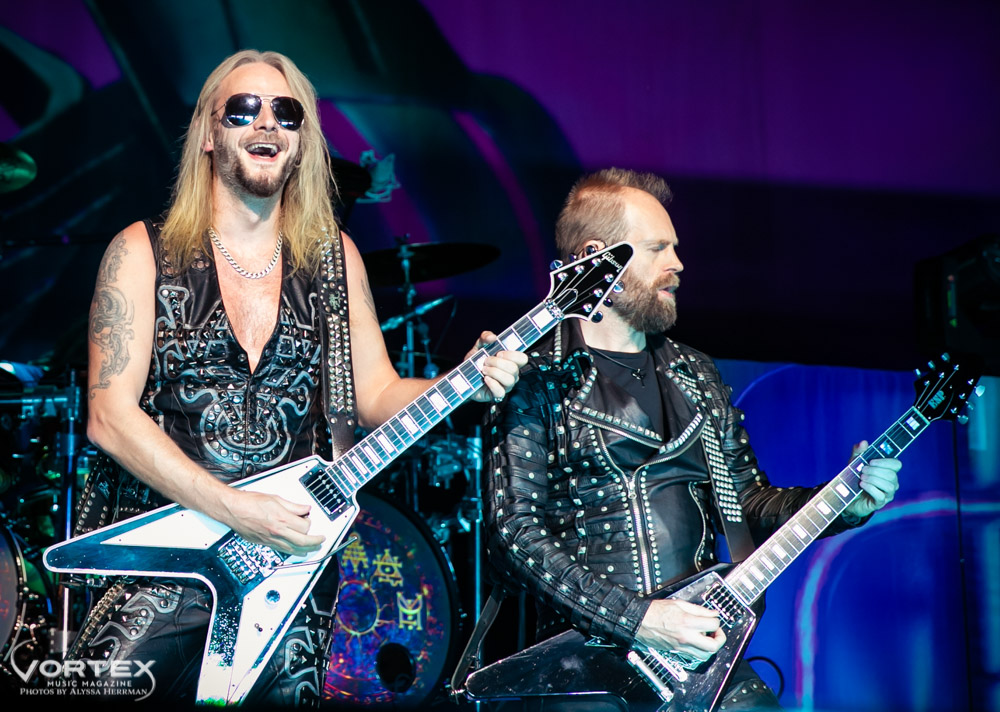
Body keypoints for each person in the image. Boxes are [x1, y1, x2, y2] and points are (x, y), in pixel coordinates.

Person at [70, 49, 527, 706]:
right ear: (208, 133)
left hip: (286, 568)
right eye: (244, 109)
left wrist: (464, 380)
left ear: (303, 141)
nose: (268, 125)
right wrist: (236, 510)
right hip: (168, 561)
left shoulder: (334, 262)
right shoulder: (143, 252)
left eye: (287, 113)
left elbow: (376, 396)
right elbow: (110, 416)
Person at [479, 168, 900, 710]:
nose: (677, 264)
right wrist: (640, 620)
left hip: (700, 659)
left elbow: (747, 504)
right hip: (587, 664)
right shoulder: (533, 375)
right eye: (657, 248)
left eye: (674, 248)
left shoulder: (695, 374)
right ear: (595, 257)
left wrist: (844, 502)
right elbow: (514, 534)